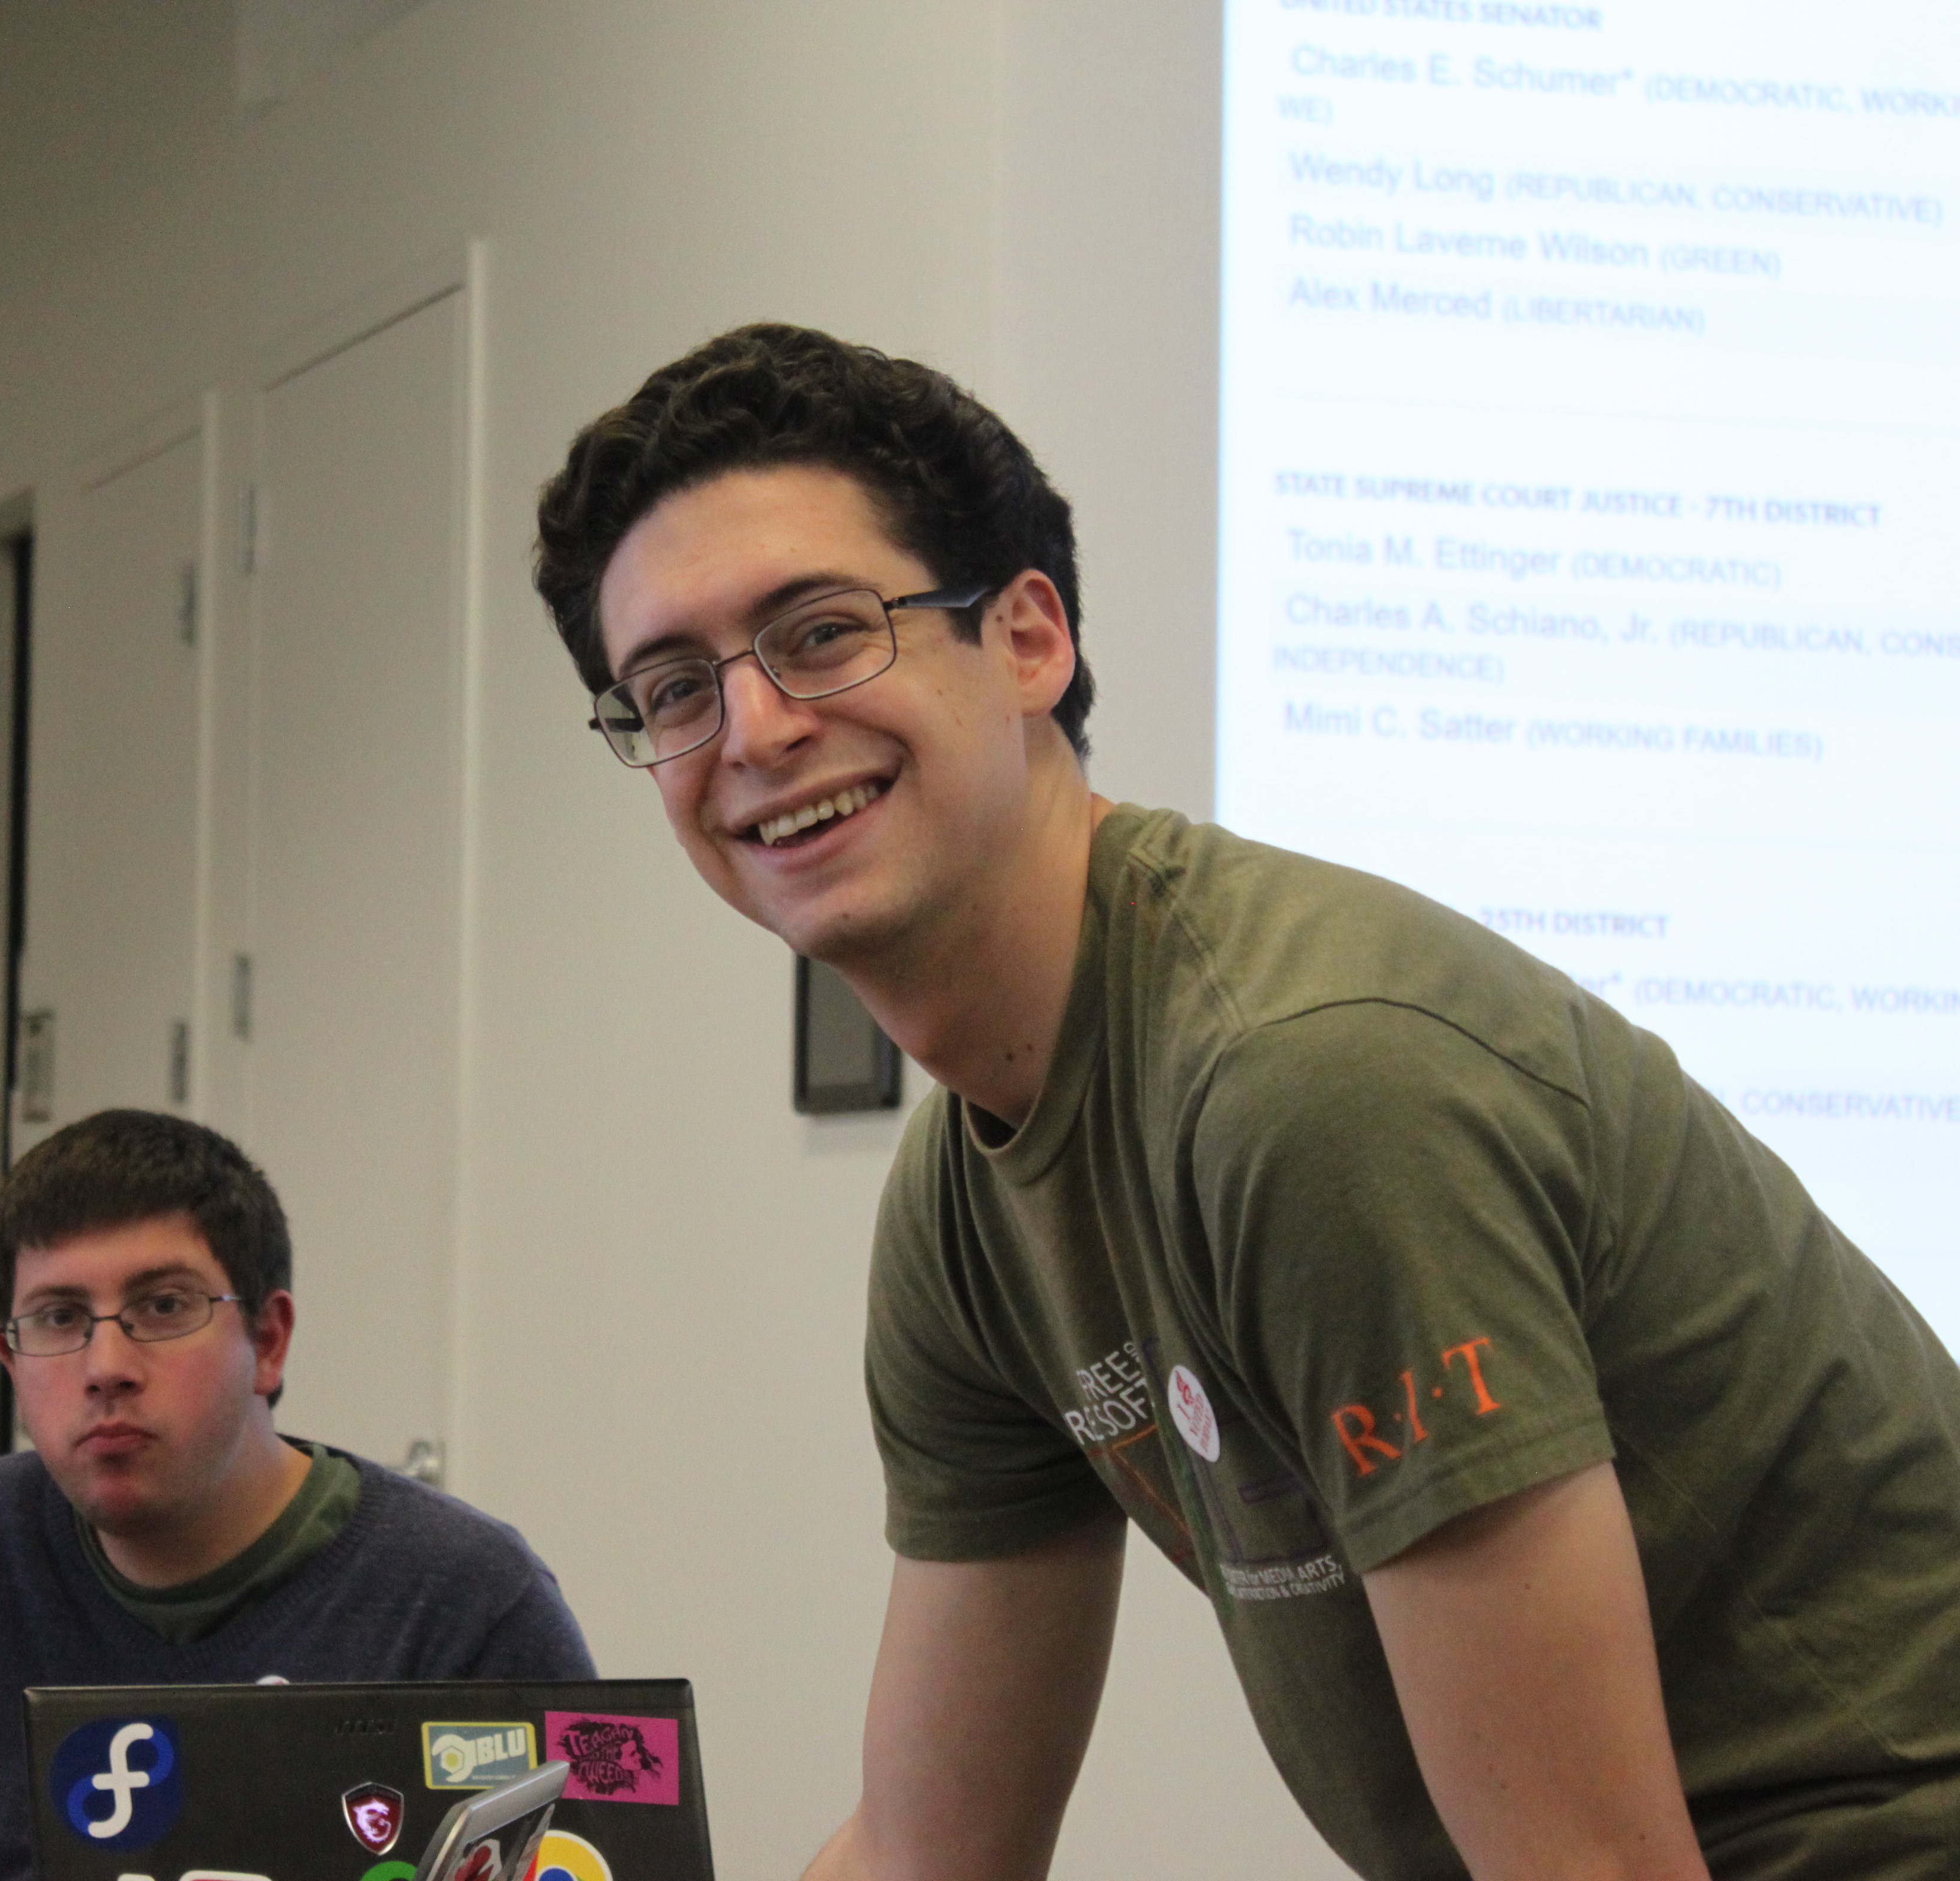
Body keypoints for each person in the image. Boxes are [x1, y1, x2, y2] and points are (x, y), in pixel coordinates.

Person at [532, 323, 1960, 1881]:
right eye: (672, 689)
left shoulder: (1311, 1085)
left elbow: (1592, 1867)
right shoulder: (966, 1200)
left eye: (820, 634)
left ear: (1026, 641)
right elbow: (936, 1847)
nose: (751, 733)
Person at [0, 1109, 594, 1881]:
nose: (105, 1366)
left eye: (163, 1306)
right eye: (59, 1317)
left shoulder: (468, 1604)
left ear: (267, 1342)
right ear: (10, 1362)